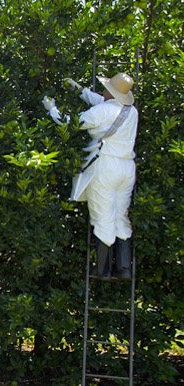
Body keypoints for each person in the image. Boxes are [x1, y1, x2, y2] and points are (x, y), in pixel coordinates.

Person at [42, 73, 138, 280]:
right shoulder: (132, 112)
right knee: (120, 215)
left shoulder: (101, 112)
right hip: (127, 168)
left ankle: (102, 269)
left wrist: (52, 110)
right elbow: (102, 101)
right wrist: (78, 89)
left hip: (105, 166)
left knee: (102, 215)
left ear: (109, 91)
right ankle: (124, 268)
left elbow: (68, 122)